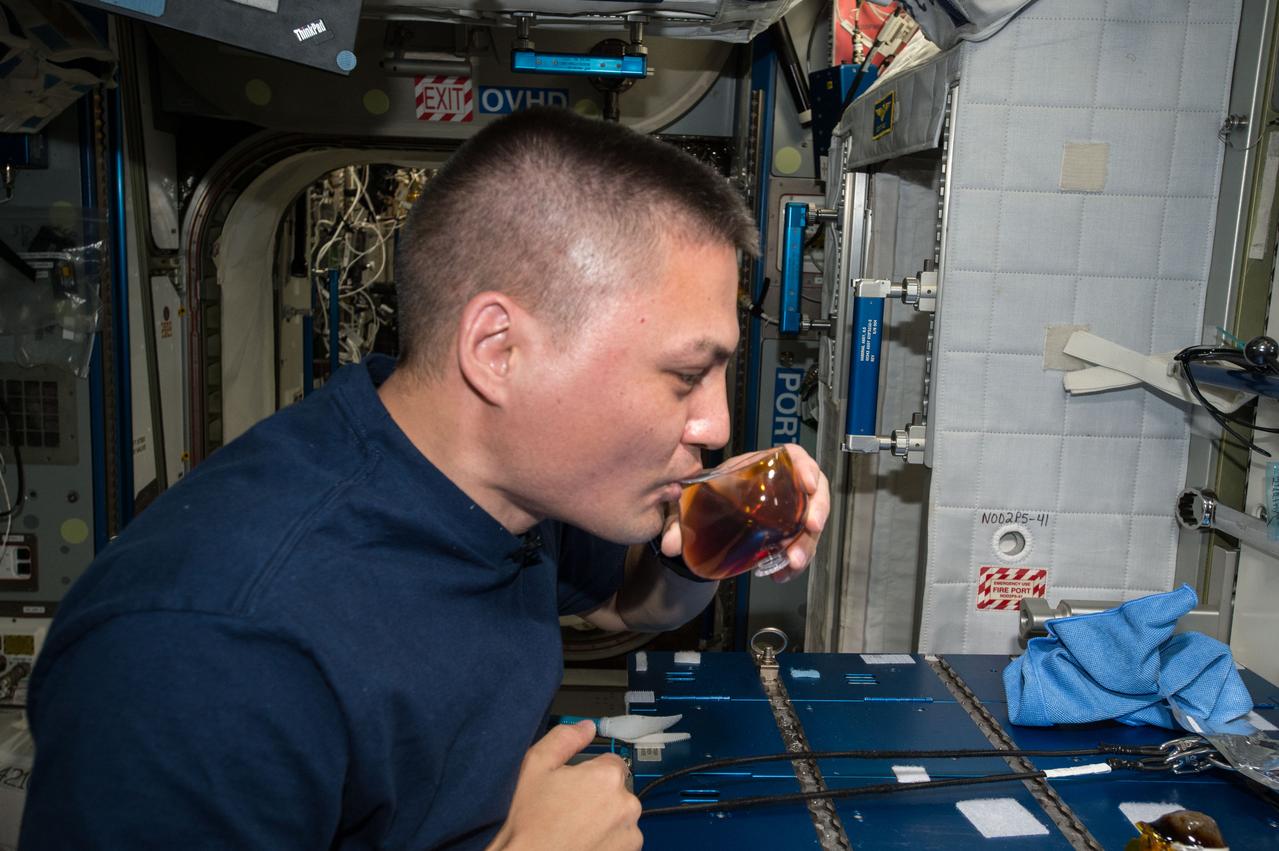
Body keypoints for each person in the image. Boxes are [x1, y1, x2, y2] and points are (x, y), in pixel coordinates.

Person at [19, 107, 830, 850]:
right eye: (687, 375)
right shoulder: (207, 653)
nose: (717, 426)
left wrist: (712, 537)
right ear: (498, 351)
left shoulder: (501, 484)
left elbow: (632, 598)